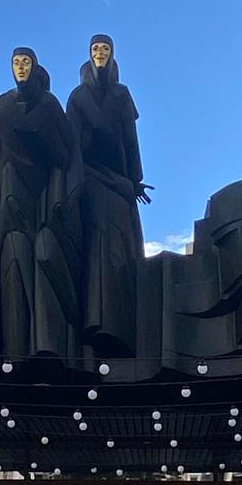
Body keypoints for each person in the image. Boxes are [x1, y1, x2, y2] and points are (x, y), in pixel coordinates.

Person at [0, 47, 82, 362]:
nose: (20, 67)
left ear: (35, 67)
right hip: (15, 187)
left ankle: (49, 342)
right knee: (17, 247)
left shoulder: (49, 104)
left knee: (44, 249)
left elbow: (65, 152)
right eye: (16, 62)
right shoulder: (2, 105)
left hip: (48, 190)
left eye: (26, 62)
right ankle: (19, 345)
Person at [65, 34, 150, 354]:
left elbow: (131, 139)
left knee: (122, 246)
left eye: (105, 49)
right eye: (95, 49)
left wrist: (135, 180)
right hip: (90, 179)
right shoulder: (77, 97)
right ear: (89, 55)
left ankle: (121, 320)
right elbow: (72, 147)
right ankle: (95, 322)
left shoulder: (121, 94)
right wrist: (74, 184)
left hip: (120, 184)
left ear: (112, 55)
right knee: (96, 245)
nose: (100, 53)